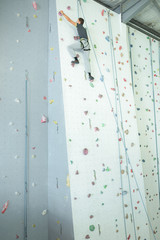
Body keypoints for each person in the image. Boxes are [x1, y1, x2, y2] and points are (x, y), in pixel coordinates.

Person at [60, 10, 94, 81]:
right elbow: (86, 38)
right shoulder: (84, 29)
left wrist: (63, 13)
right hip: (87, 46)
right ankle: (89, 75)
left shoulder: (78, 25)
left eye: (77, 20)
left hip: (82, 43)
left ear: (79, 22)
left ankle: (76, 59)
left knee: (69, 47)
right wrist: (78, 37)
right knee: (86, 60)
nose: (76, 21)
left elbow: (69, 20)